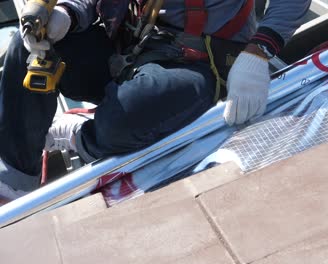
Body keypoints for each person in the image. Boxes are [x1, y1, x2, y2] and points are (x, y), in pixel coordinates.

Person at [0, 0, 311, 200]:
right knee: (28, 46)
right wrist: (66, 15)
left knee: (126, 119)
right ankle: (14, 179)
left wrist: (258, 52)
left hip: (195, 63)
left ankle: (81, 135)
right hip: (128, 47)